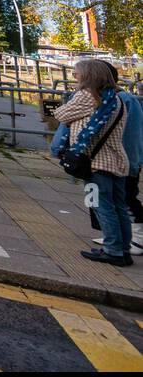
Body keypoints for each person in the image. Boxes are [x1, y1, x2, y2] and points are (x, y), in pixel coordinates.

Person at [53, 59, 132, 266]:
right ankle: (123, 249)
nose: (74, 76)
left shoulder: (87, 96)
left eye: (76, 73)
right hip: (117, 161)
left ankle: (112, 250)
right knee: (119, 207)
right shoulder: (116, 99)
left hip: (94, 163)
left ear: (88, 75)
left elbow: (60, 114)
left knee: (100, 206)